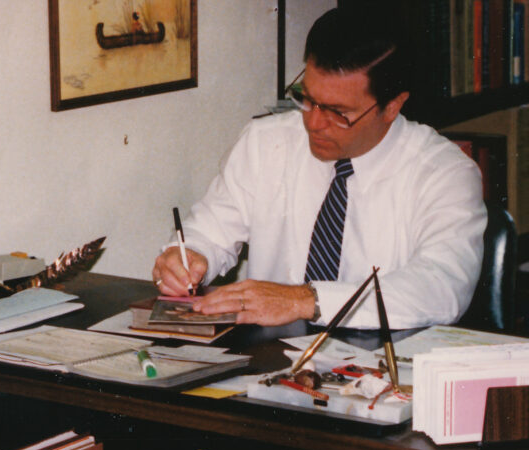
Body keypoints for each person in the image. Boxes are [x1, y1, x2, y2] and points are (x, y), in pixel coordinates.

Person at [152, 7, 486, 329]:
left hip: (381, 369)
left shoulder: (444, 173)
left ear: (392, 106)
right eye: (307, 99)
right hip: (270, 364)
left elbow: (442, 286)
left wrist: (306, 300)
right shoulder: (266, 142)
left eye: (338, 112)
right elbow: (210, 230)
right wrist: (188, 256)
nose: (313, 123)